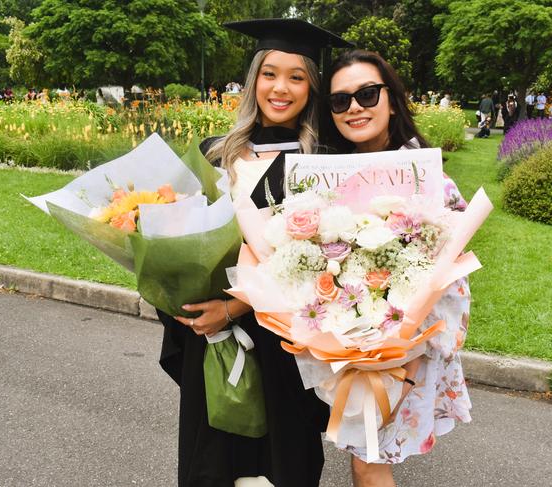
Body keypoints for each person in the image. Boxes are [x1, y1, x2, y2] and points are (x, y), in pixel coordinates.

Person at [156, 18, 350, 487]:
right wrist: (176, 294)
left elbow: (333, 263)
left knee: (284, 465)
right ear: (253, 80)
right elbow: (178, 242)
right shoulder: (214, 154)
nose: (280, 88)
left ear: (312, 87)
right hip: (215, 347)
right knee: (214, 466)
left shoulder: (323, 164)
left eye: (296, 76)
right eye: (269, 73)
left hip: (284, 345)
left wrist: (235, 306)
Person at [323, 49, 472, 487]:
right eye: (339, 101)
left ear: (392, 98)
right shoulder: (325, 179)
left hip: (406, 352)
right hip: (345, 348)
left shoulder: (429, 180)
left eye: (367, 94)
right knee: (365, 458)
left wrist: (403, 361)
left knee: (370, 462)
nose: (354, 107)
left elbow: (450, 280)